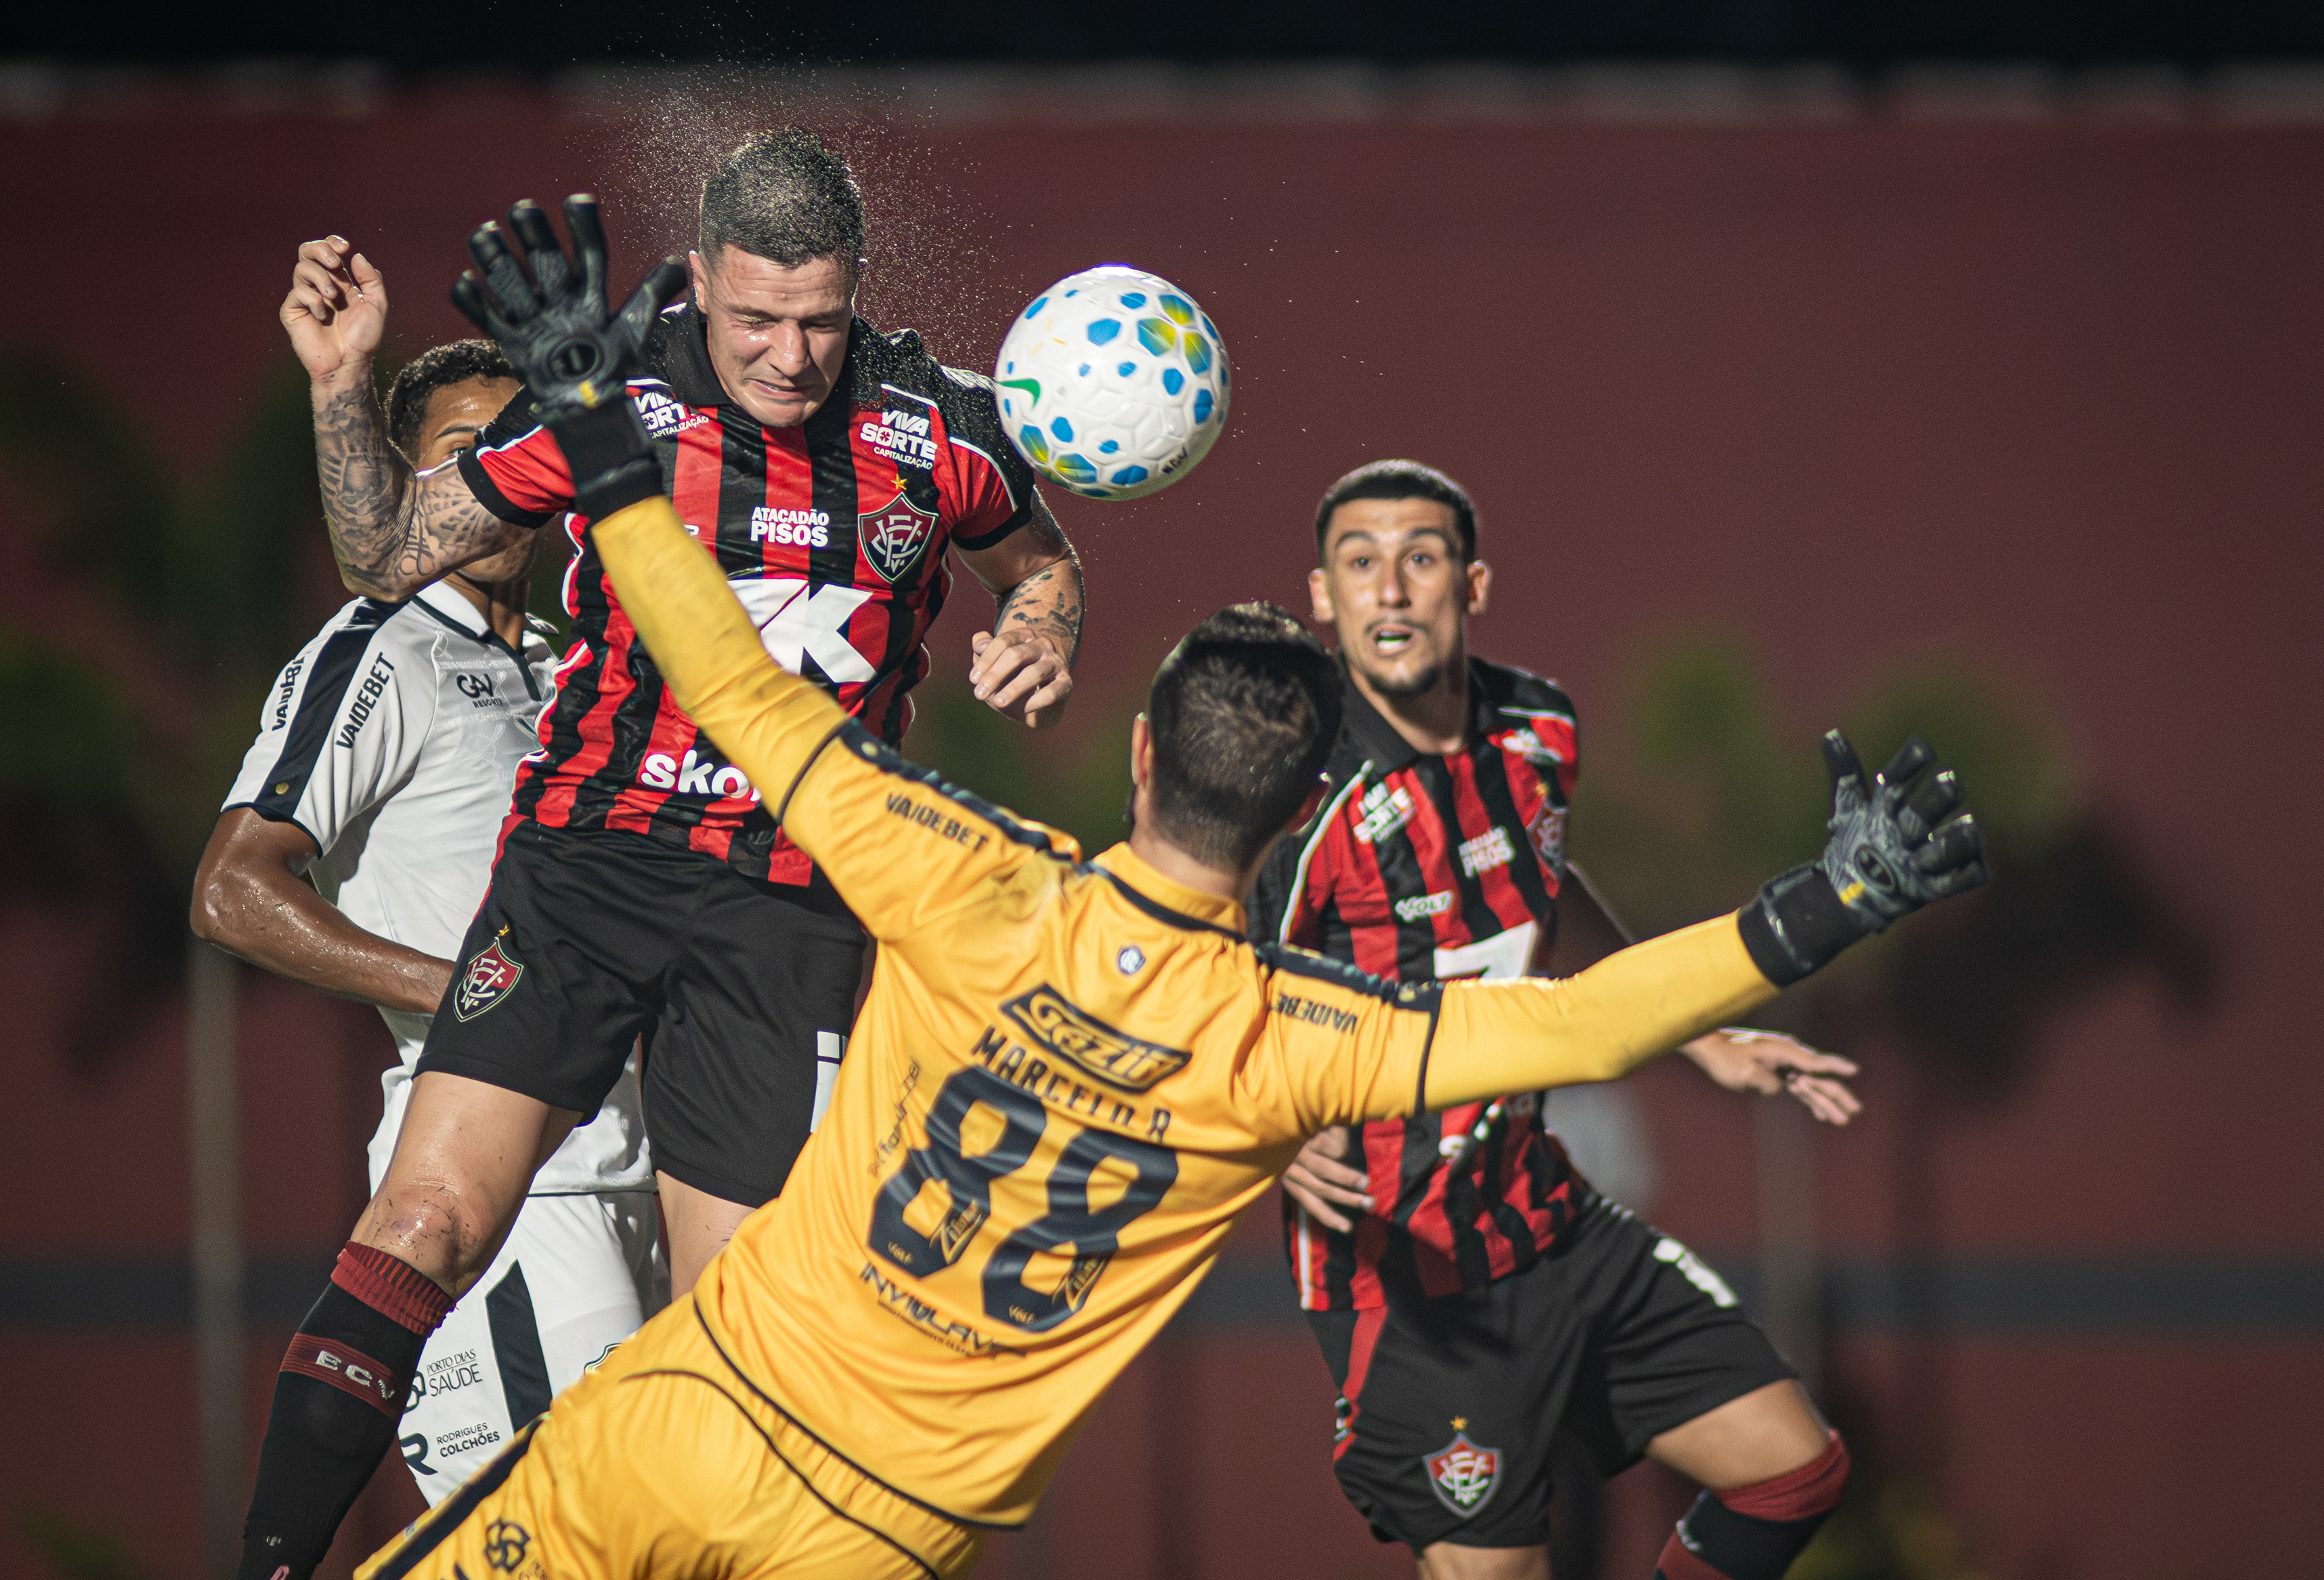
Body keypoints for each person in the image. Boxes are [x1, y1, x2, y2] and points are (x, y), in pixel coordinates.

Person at [349, 202, 1985, 1579]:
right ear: (1293, 826)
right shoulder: (1290, 1039)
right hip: (880, 1535)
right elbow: (1583, 1023)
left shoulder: (958, 879)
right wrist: (1821, 908)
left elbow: (730, 678)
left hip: (696, 1411)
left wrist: (593, 429)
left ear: (1139, 756)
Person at [259, 132, 1083, 1576]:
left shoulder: (934, 428)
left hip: (794, 911)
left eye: (820, 321)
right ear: (700, 278)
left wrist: (1042, 626)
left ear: (859, 293)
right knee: (426, 1218)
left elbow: (1041, 557)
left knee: (735, 1333)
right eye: (755, 319)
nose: (787, 355)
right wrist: (340, 385)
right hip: (588, 868)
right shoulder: (606, 386)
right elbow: (387, 558)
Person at [1254, 460, 1868, 1580]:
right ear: (1322, 597)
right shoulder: (1295, 794)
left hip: (1548, 1213)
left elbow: (1544, 890)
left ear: (1472, 583)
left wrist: (1703, 1034)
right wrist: (1274, 1133)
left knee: (1794, 1466)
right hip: (1406, 1271)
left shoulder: (1538, 730)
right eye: (1360, 564)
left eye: (1421, 558)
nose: (1391, 589)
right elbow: (1199, 985)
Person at [190, 341, 665, 1577]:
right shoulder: (380, 645)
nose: (498, 473)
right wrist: (471, 996)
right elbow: (234, 891)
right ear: (408, 483)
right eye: (464, 453)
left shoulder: (582, 668)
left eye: (521, 445)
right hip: (503, 1210)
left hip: (642, 1186)